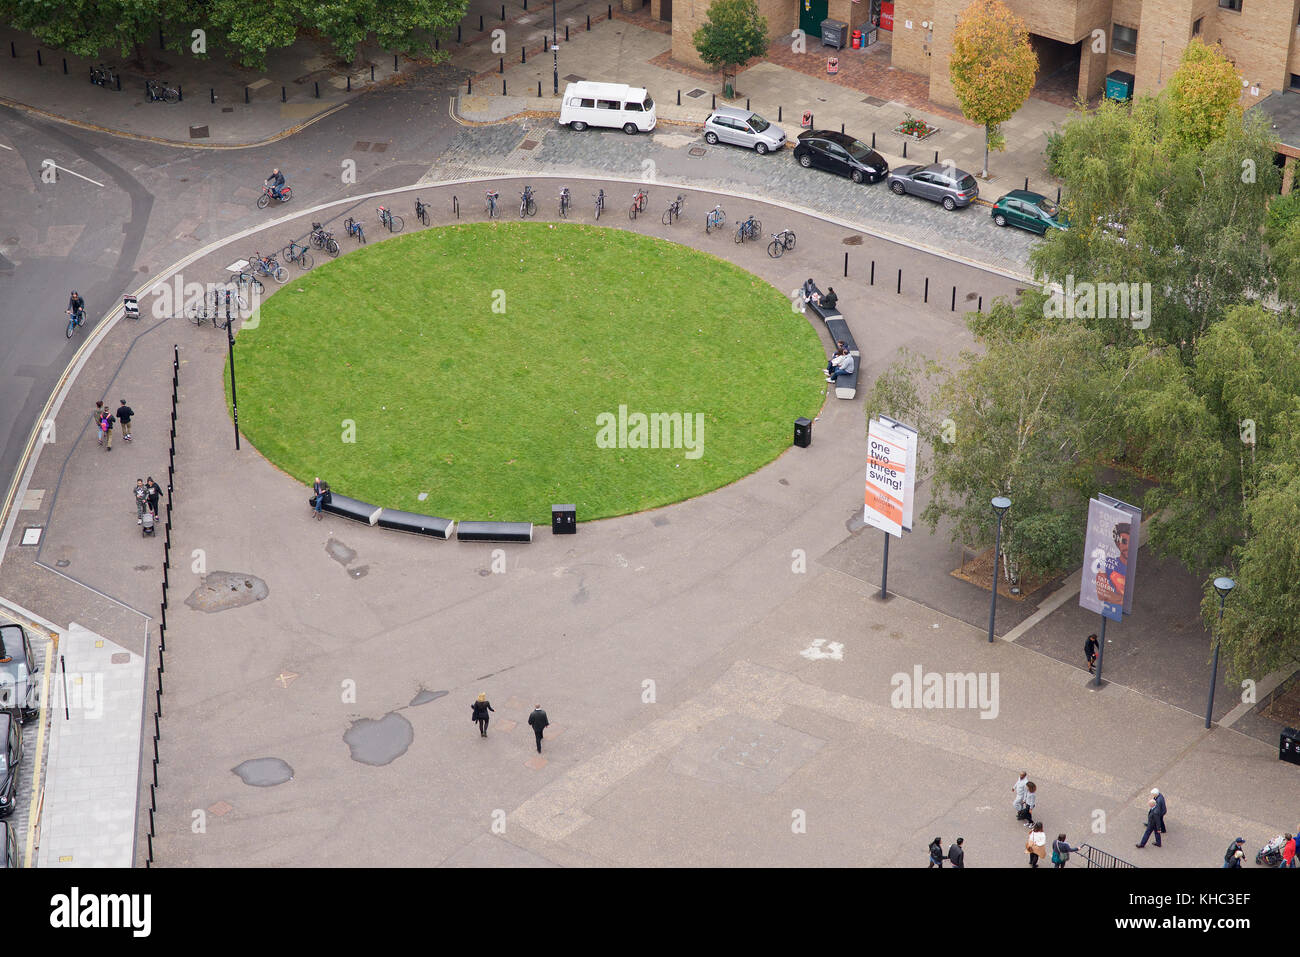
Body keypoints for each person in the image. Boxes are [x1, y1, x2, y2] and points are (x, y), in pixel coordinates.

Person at [1094, 521, 1131, 616]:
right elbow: (1102, 594)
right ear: (1118, 544)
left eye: (1131, 543)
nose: (1127, 546)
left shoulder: (1133, 568)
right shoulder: (1107, 564)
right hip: (1111, 613)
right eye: (1124, 542)